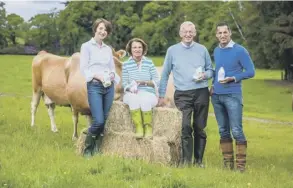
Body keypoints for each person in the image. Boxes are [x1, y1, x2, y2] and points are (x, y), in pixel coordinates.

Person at [158, 21, 214, 167]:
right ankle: (186, 160)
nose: (188, 34)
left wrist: (205, 75)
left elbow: (211, 70)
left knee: (199, 127)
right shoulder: (172, 50)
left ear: (194, 33)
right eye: (185, 31)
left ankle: (198, 161)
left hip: (201, 92)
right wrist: (161, 95)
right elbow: (165, 74)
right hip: (182, 93)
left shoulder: (202, 50)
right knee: (185, 127)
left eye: (191, 31)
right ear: (180, 33)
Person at [210, 22, 255, 172]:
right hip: (216, 96)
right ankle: (227, 164)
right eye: (219, 33)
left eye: (225, 32)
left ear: (230, 33)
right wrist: (212, 85)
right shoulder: (216, 50)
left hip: (232, 95)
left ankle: (240, 167)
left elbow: (250, 72)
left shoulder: (240, 50)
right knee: (223, 130)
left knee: (236, 130)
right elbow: (218, 71)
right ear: (216, 35)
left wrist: (233, 78)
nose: (222, 35)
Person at [80, 18, 120, 157]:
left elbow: (112, 68)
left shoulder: (108, 49)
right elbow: (84, 69)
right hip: (95, 86)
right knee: (98, 121)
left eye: (106, 30)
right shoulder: (86, 47)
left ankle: (96, 150)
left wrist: (112, 75)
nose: (103, 32)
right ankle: (86, 150)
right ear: (95, 28)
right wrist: (98, 76)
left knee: (104, 120)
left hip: (108, 87)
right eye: (101, 28)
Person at [122, 38, 160, 139]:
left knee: (144, 99)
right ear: (130, 49)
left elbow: (157, 81)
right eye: (134, 47)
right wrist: (130, 88)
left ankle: (148, 128)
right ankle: (139, 128)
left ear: (143, 49)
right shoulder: (126, 64)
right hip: (131, 94)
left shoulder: (149, 63)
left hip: (148, 93)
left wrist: (145, 83)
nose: (137, 49)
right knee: (134, 99)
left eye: (140, 47)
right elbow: (124, 83)